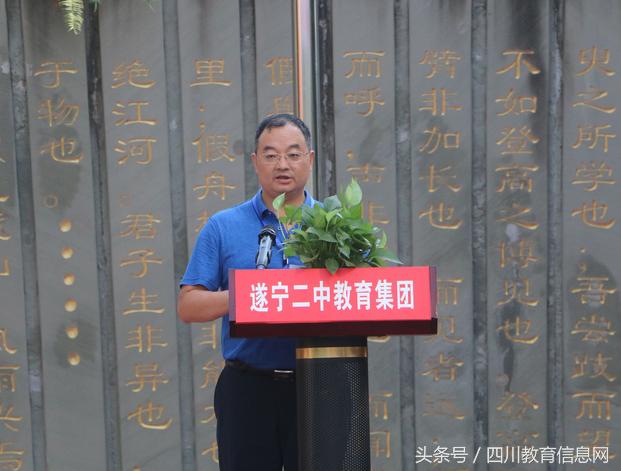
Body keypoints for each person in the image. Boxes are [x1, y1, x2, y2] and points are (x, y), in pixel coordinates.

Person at [178, 113, 316, 471]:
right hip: (248, 388)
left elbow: (369, 297)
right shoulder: (223, 226)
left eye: (293, 154)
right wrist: (249, 295)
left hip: (320, 384)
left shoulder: (338, 226)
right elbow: (188, 305)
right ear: (255, 162)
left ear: (310, 159)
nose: (282, 164)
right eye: (271, 155)